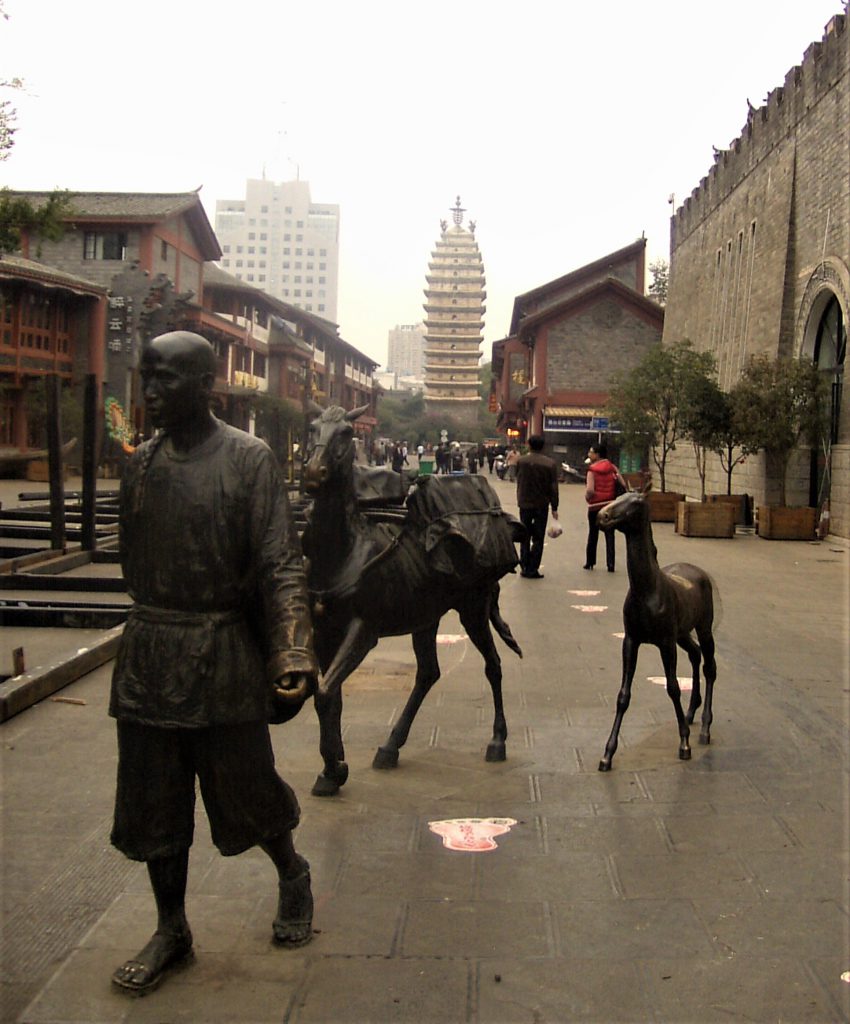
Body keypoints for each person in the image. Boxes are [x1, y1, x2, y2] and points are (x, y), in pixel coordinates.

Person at [109, 331, 318, 995]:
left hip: (221, 652)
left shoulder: (247, 459)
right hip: (150, 653)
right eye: (147, 379)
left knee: (245, 788)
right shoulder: (140, 465)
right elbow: (133, 556)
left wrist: (290, 649)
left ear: (205, 386)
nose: (151, 394)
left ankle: (292, 870)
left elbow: (281, 561)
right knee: (153, 803)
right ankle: (172, 927)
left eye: (165, 380)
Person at [515, 434, 559, 579]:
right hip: (541, 504)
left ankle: (524, 566)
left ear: (528, 444)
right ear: (543, 446)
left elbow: (518, 478)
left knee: (525, 535)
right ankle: (533, 569)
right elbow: (553, 487)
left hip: (524, 503)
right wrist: (554, 506)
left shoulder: (521, 461)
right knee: (538, 537)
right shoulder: (550, 464)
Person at [584, 442, 627, 571]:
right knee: (610, 535)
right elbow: (623, 484)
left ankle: (590, 562)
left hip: (595, 506)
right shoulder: (613, 467)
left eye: (591, 452)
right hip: (610, 506)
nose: (589, 454)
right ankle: (611, 564)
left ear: (597, 454)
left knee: (593, 533)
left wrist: (588, 498)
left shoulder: (592, 470)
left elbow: (590, 490)